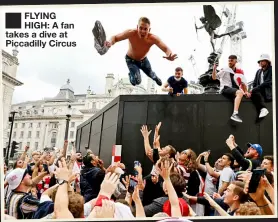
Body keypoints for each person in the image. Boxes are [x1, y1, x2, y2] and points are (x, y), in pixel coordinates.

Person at [105, 17, 177, 86]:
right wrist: (110, 42)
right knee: (137, 81)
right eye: (141, 28)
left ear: (149, 30)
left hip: (143, 60)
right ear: (137, 27)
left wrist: (169, 55)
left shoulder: (153, 38)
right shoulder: (131, 33)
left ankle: (155, 77)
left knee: (151, 74)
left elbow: (166, 48)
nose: (142, 31)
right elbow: (115, 38)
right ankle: (131, 75)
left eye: (145, 29)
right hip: (131, 60)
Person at [212, 55, 250, 123]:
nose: (229, 62)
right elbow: (214, 78)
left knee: (242, 95)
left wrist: (246, 91)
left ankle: (234, 118)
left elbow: (243, 83)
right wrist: (214, 69)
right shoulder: (225, 69)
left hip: (234, 90)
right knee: (240, 93)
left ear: (236, 61)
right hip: (225, 88)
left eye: (231, 61)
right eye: (229, 61)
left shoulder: (239, 72)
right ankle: (235, 114)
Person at [250, 54, 272, 118]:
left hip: (268, 92)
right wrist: (251, 90)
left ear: (267, 61)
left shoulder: (271, 70)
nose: (260, 62)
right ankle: (263, 109)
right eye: (260, 61)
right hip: (260, 93)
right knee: (252, 93)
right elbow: (254, 83)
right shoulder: (258, 71)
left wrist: (256, 88)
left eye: (262, 61)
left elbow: (268, 82)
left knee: (254, 90)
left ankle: (263, 109)